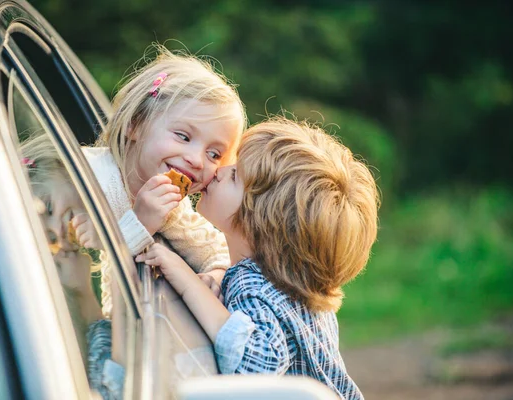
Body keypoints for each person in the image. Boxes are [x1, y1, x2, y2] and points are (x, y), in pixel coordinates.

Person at [135, 117, 379, 399]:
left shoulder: (251, 285)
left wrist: (188, 283)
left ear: (260, 221)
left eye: (235, 175)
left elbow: (256, 367)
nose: (219, 171)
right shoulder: (298, 286)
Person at [78, 45, 247, 318]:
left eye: (214, 153)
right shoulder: (86, 176)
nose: (197, 160)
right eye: (183, 136)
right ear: (135, 124)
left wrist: (215, 275)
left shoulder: (173, 210)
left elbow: (218, 252)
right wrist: (140, 223)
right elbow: (86, 266)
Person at [19, 132, 119, 399]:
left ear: (62, 164)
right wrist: (81, 291)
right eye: (50, 239)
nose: (58, 232)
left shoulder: (136, 201)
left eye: (48, 207)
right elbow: (106, 378)